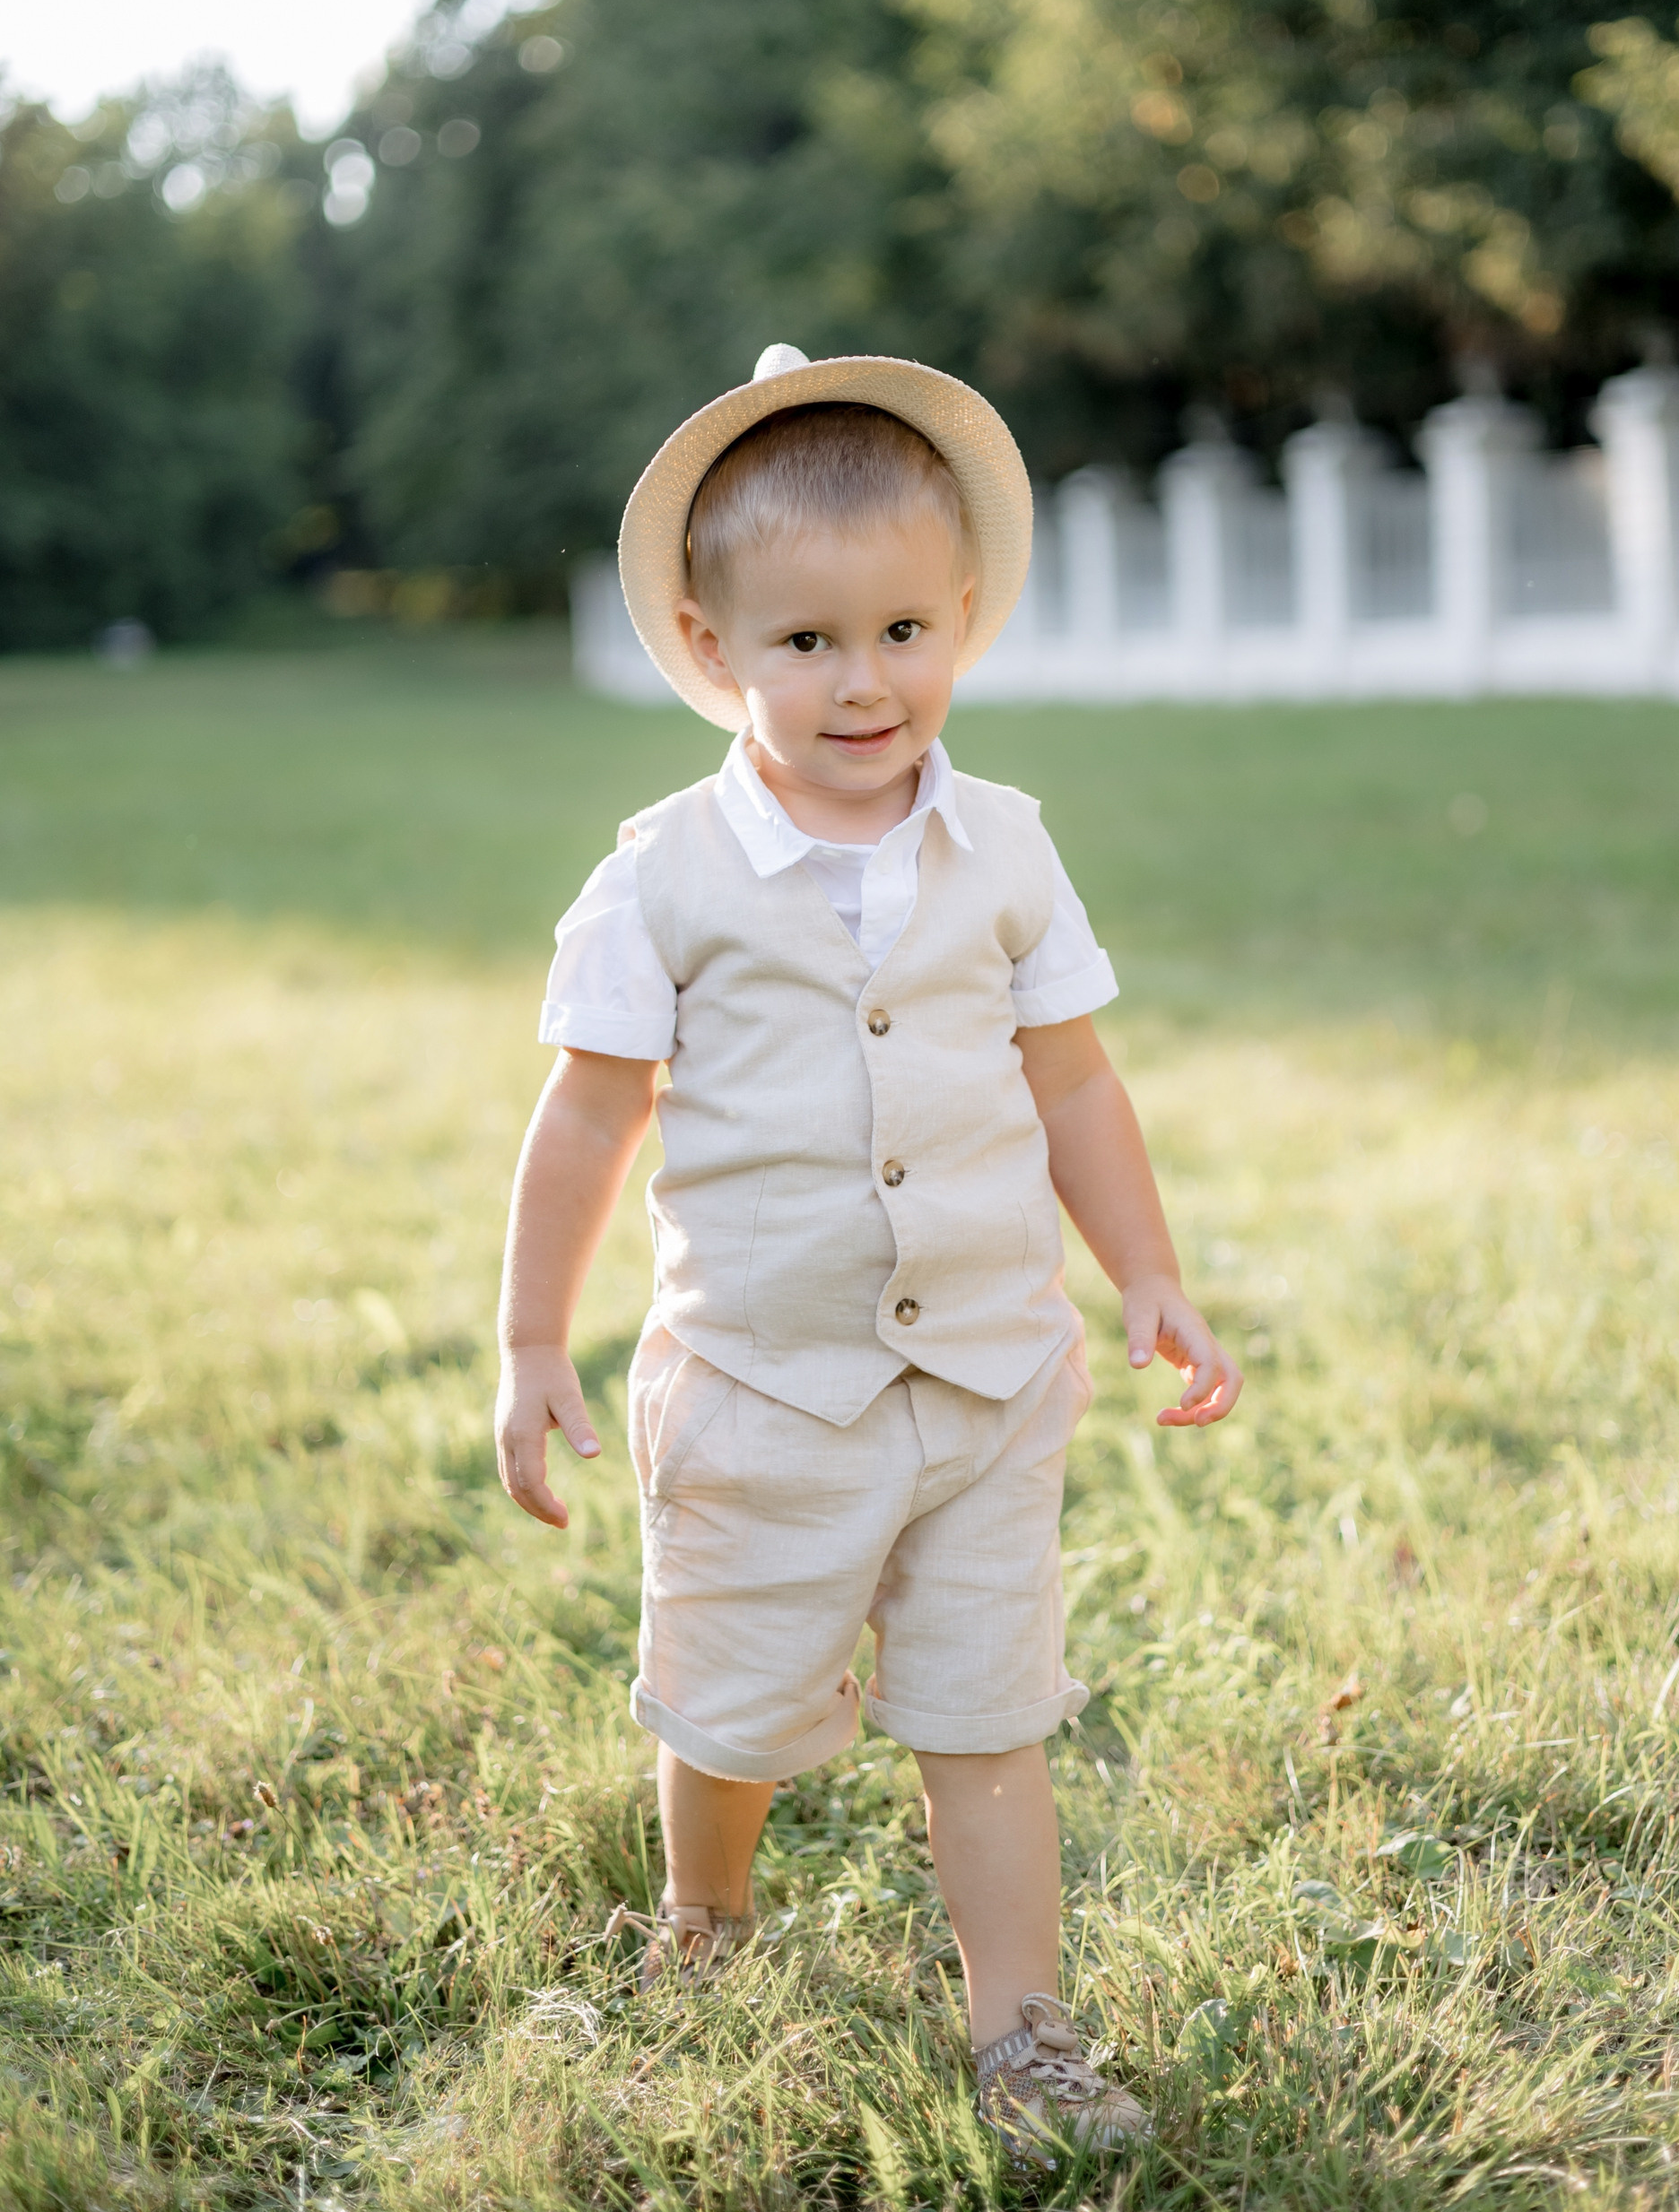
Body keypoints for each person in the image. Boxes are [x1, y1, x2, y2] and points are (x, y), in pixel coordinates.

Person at [492, 344, 1242, 2162]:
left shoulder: (1006, 848)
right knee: (737, 1705)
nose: (862, 680)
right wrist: (531, 1346)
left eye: (903, 630)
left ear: (964, 615)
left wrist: (1141, 1268)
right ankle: (706, 1920)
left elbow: (1069, 1079)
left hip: (988, 1376)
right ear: (711, 643)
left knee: (989, 1717)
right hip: (766, 1382)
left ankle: (1023, 2031)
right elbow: (589, 1121)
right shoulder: (661, 876)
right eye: (808, 642)